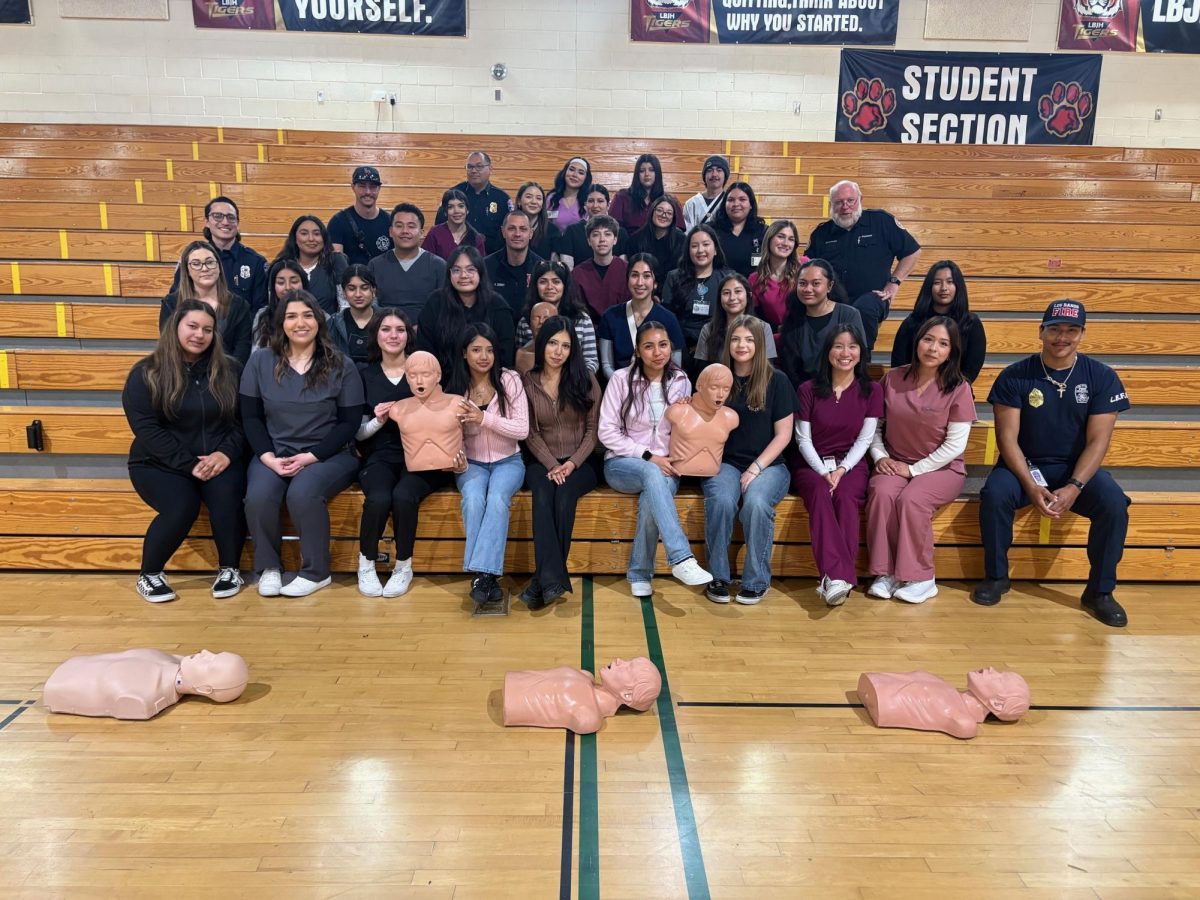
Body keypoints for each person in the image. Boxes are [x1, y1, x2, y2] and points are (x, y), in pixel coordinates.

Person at [972, 299, 1132, 627]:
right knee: (995, 494)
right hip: (1022, 466)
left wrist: (1074, 487)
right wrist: (1032, 486)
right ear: (1041, 331)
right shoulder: (1015, 376)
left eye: (1071, 330)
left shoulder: (1102, 377)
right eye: (1055, 328)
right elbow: (1007, 439)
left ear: (1082, 334)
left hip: (1075, 468)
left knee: (1114, 502)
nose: (1062, 336)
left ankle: (1100, 592)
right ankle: (997, 577)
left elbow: (1098, 441)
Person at [240, 290, 364, 598]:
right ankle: (269, 568)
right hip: (275, 452)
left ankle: (315, 572)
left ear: (318, 321)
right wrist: (268, 458)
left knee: (303, 493)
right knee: (258, 496)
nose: (300, 323)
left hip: (329, 454)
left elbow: (349, 424)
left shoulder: (341, 364)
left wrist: (311, 457)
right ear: (281, 323)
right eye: (292, 316)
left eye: (307, 315)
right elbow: (251, 418)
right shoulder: (259, 362)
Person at [123, 299, 245, 603]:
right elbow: (147, 429)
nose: (199, 335)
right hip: (159, 463)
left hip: (218, 459)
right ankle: (149, 574)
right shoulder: (146, 373)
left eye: (207, 329)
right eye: (192, 326)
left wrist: (225, 454)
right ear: (175, 326)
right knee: (182, 506)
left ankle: (230, 568)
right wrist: (189, 464)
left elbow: (246, 422)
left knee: (226, 496)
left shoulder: (230, 369)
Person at [597, 320, 712, 597]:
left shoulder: (682, 381)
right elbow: (606, 432)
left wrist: (688, 415)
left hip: (668, 466)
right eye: (648, 346)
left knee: (653, 492)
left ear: (671, 347)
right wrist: (648, 456)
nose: (657, 352)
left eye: (663, 345)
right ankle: (681, 558)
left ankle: (639, 573)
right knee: (652, 474)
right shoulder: (621, 379)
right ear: (638, 351)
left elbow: (690, 432)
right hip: (622, 464)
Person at [866, 317, 976, 605]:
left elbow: (955, 444)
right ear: (917, 342)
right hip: (894, 461)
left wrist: (914, 469)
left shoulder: (959, 388)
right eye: (928, 339)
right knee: (882, 493)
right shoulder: (892, 378)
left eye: (943, 343)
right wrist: (881, 457)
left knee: (912, 499)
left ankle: (922, 578)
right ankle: (886, 573)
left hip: (942, 468)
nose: (933, 348)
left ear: (951, 351)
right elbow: (875, 427)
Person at [701, 315, 795, 605]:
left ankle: (756, 581)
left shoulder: (776, 379)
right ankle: (717, 576)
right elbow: (699, 419)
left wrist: (755, 469)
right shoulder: (717, 379)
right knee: (721, 501)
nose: (742, 345)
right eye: (736, 339)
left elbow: (784, 435)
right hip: (724, 463)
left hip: (769, 465)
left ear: (761, 343)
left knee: (755, 503)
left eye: (749, 339)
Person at [792, 324, 883, 607]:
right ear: (828, 351)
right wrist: (823, 471)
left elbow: (866, 439)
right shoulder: (807, 389)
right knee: (820, 493)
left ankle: (834, 579)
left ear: (861, 353)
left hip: (851, 463)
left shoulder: (873, 390)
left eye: (852, 346)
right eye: (838, 346)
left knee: (845, 496)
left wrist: (841, 470)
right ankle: (838, 576)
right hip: (811, 463)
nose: (845, 353)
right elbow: (802, 439)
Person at [520, 315, 601, 609]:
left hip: (582, 463)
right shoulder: (527, 381)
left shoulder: (584, 379)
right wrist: (552, 464)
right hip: (542, 461)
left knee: (565, 496)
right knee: (543, 495)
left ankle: (542, 581)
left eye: (565, 346)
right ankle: (551, 581)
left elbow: (593, 431)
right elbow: (529, 431)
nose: (558, 351)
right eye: (553, 343)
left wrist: (571, 465)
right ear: (542, 345)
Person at [446, 324, 529, 605]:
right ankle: (487, 576)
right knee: (472, 498)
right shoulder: (455, 388)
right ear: (464, 354)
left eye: (490, 350)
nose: (484, 356)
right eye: (477, 350)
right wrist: (455, 460)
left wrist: (485, 420)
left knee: (496, 498)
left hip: (509, 461)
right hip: (473, 463)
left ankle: (481, 574)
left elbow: (522, 429)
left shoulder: (510, 380)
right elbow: (450, 434)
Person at [376, 351, 468, 597]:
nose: (419, 380)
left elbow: (476, 437)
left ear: (437, 376)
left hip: (450, 469)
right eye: (413, 374)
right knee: (401, 495)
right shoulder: (398, 409)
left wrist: (464, 463)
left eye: (425, 374)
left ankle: (405, 566)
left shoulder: (457, 403)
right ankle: (403, 565)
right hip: (417, 469)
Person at [804, 180, 921, 352]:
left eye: (850, 200)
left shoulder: (882, 222)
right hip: (833, 301)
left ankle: (860, 363)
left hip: (873, 298)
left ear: (860, 199)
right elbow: (808, 268)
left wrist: (894, 283)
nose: (845, 206)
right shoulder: (821, 234)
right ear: (831, 205)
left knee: (862, 309)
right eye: (839, 202)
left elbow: (912, 252)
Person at [354, 308, 423, 597]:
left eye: (400, 329)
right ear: (376, 335)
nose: (393, 335)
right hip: (379, 455)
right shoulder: (363, 374)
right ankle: (366, 563)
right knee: (380, 497)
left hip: (420, 456)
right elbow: (357, 433)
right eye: (386, 329)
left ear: (409, 335)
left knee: (404, 496)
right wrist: (378, 421)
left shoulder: (423, 371)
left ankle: (403, 565)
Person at [44, 649, 249, 721]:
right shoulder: (169, 660)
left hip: (57, 686)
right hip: (72, 667)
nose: (205, 652)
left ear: (206, 689)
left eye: (210, 662)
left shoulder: (141, 696)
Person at [416, 245, 516, 374]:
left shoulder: (497, 304)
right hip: (443, 382)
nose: (464, 275)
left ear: (480, 272)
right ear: (449, 273)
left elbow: (505, 354)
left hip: (488, 380)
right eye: (456, 270)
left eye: (471, 270)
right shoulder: (435, 302)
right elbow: (425, 350)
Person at [503, 658, 662, 734]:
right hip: (513, 682)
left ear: (627, 695)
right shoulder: (587, 677)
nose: (620, 661)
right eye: (628, 661)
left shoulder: (589, 718)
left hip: (511, 706)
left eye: (628, 669)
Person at [168, 197, 268, 315]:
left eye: (231, 217)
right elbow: (175, 303)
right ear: (206, 222)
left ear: (238, 223)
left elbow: (260, 311)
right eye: (218, 216)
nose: (225, 222)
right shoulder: (190, 260)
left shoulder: (256, 262)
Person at [891, 260, 987, 383]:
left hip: (954, 391)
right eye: (937, 282)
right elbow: (899, 363)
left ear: (958, 286)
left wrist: (951, 389)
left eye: (950, 282)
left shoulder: (971, 323)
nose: (943, 288)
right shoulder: (913, 321)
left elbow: (972, 368)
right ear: (929, 287)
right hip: (913, 389)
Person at [159, 240, 252, 365]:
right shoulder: (171, 303)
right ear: (187, 271)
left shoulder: (239, 305)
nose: (205, 268)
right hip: (183, 376)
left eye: (210, 262)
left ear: (219, 267)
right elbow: (169, 347)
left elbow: (242, 351)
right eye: (196, 264)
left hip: (226, 377)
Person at [779, 258, 864, 389]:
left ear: (829, 286)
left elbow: (859, 358)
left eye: (815, 283)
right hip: (803, 391)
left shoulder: (849, 314)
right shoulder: (793, 318)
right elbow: (790, 368)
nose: (807, 289)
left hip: (841, 388)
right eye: (802, 283)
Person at [598, 253, 685, 380]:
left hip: (658, 389)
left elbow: (675, 367)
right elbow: (607, 366)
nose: (640, 282)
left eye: (646, 276)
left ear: (655, 283)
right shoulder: (610, 316)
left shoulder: (669, 319)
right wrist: (622, 386)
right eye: (634, 275)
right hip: (620, 389)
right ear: (627, 279)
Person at [367, 202, 447, 322]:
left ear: (421, 233)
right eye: (399, 226)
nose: (405, 231)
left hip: (426, 335)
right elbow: (370, 307)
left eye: (411, 226)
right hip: (385, 333)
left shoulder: (438, 265)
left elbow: (444, 309)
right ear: (390, 231)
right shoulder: (375, 265)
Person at [515, 260, 599, 374]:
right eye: (543, 282)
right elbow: (521, 359)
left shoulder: (581, 319)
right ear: (535, 285)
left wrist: (575, 380)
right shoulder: (526, 320)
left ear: (565, 285)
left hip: (574, 384)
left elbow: (591, 361)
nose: (550, 287)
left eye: (556, 282)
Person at [662, 224, 734, 354]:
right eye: (694, 246)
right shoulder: (673, 277)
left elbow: (732, 317)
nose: (700, 250)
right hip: (680, 346)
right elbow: (668, 318)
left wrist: (704, 346)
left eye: (706, 244)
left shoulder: (728, 279)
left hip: (718, 345)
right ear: (688, 251)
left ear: (716, 249)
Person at [435, 150, 512, 254]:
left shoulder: (502, 199)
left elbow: (509, 232)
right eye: (470, 167)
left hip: (491, 261)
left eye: (479, 166)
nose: (474, 170)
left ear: (490, 169)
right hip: (456, 258)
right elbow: (439, 227)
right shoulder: (453, 194)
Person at [694, 273, 778, 365]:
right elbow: (702, 369)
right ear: (719, 298)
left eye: (738, 291)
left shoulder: (763, 328)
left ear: (748, 295)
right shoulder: (709, 329)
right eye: (726, 293)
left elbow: (768, 367)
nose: (732, 298)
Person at [276, 214, 348, 315]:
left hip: (328, 327)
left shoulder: (336, 261)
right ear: (295, 238)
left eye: (317, 234)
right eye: (304, 234)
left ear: (324, 238)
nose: (311, 239)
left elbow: (345, 304)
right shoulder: (282, 265)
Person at [485, 210, 544, 323]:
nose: (517, 234)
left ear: (531, 233)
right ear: (503, 232)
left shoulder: (541, 267)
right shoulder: (486, 266)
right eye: (512, 228)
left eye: (523, 229)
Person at [329, 165, 393, 267]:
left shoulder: (390, 222)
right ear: (353, 187)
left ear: (379, 188)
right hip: (350, 282)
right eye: (362, 186)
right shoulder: (338, 222)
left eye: (373, 187)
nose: (368, 192)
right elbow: (337, 267)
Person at [750, 220, 806, 334]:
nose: (786, 243)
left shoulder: (805, 266)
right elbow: (753, 317)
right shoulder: (755, 279)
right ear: (769, 239)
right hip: (773, 337)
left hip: (804, 334)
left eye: (791, 239)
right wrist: (775, 328)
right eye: (781, 237)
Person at [556, 184, 631, 269]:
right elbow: (567, 270)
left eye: (600, 201)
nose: (595, 206)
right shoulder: (572, 231)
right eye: (591, 201)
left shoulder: (620, 232)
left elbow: (623, 269)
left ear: (608, 205)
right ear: (585, 205)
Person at [573, 214, 629, 321]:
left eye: (607, 234)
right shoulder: (578, 273)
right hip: (589, 331)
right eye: (596, 235)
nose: (602, 239)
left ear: (615, 240)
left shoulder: (628, 270)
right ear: (589, 241)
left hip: (621, 328)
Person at [609, 153, 684, 233]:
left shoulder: (671, 201)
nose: (647, 174)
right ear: (637, 174)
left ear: (657, 173)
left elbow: (679, 232)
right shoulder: (621, 197)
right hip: (629, 244)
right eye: (642, 171)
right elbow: (612, 229)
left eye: (651, 170)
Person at [626, 196, 687, 290]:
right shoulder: (635, 239)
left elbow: (682, 273)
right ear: (652, 212)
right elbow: (632, 272)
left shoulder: (682, 241)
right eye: (659, 210)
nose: (664, 215)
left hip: (672, 292)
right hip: (641, 290)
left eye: (669, 213)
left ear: (673, 217)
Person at [710, 181, 768, 279]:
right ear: (724, 204)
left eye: (742, 199)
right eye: (731, 200)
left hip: (752, 289)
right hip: (719, 288)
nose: (736, 204)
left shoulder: (763, 231)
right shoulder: (711, 230)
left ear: (751, 205)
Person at [254, 258, 310, 350]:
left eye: (294, 282)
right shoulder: (263, 316)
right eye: (281, 282)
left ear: (304, 284)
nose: (288, 287)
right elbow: (256, 354)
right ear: (272, 287)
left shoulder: (319, 315)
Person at [328, 264, 379, 365]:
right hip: (344, 379)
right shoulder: (333, 324)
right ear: (344, 293)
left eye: (364, 288)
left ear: (373, 291)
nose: (358, 294)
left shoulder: (387, 319)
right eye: (351, 289)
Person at [422, 188, 486, 261]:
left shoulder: (477, 238)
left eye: (461, 206)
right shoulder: (435, 233)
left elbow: (481, 269)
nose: (456, 211)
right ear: (445, 212)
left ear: (467, 210)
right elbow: (425, 263)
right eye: (450, 207)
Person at [515, 180, 562, 261]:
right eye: (529, 197)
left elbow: (554, 265)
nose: (534, 202)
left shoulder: (553, 231)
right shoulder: (509, 227)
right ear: (519, 200)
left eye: (538, 198)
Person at [683, 154, 730, 231]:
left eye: (719, 170)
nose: (714, 174)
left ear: (725, 176)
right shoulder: (691, 204)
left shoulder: (729, 202)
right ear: (704, 176)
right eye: (709, 170)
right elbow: (687, 235)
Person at [546, 156, 592, 232]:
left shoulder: (588, 200)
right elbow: (547, 224)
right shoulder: (552, 199)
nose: (575, 175)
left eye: (580, 172)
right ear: (565, 172)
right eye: (571, 169)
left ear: (586, 178)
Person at [516, 301, 557, 375]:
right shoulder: (522, 353)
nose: (541, 321)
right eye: (536, 318)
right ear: (529, 323)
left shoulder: (563, 352)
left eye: (546, 318)